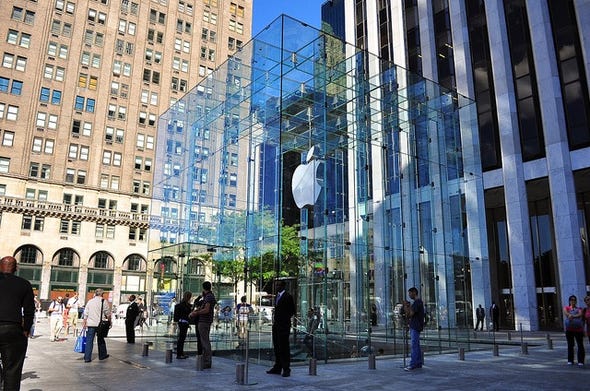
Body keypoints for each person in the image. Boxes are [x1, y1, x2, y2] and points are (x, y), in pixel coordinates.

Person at [0, 256, 35, 390]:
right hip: (12, 329)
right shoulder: (24, 283)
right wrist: (26, 329)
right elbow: (29, 310)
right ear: (16, 268)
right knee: (13, 369)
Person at [266, 280, 296, 377]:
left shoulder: (288, 297)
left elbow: (292, 311)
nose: (276, 287)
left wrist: (284, 319)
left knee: (284, 347)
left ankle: (286, 368)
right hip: (276, 325)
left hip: (283, 326)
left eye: (278, 285)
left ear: (283, 286)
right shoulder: (277, 297)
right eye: (276, 285)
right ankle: (277, 367)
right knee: (277, 347)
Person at [190, 281, 216, 369]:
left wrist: (196, 313)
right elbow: (204, 308)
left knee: (205, 341)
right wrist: (196, 311)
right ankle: (206, 360)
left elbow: (206, 310)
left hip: (204, 321)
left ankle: (207, 361)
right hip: (204, 320)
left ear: (203, 288)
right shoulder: (208, 297)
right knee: (204, 341)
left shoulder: (209, 297)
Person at [82, 288, 112, 363]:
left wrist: (85, 321)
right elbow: (107, 313)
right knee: (101, 339)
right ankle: (102, 355)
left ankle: (87, 358)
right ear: (102, 294)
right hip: (100, 324)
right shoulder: (103, 301)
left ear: (95, 293)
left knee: (89, 341)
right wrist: (109, 321)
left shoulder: (90, 301)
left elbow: (86, 312)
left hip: (91, 324)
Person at [403, 287, 424, 371]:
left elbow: (410, 314)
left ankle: (413, 364)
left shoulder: (417, 302)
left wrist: (406, 306)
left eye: (410, 293)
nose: (409, 295)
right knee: (416, 345)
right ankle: (418, 362)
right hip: (415, 326)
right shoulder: (417, 302)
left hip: (415, 326)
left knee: (414, 345)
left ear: (414, 292)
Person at [563, 295, 585, 366]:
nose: (573, 301)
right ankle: (570, 360)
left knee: (580, 345)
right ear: (569, 301)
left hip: (578, 330)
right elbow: (566, 313)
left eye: (574, 300)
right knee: (570, 345)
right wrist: (571, 315)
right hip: (569, 330)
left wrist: (572, 316)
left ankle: (580, 361)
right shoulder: (566, 307)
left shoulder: (579, 308)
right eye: (572, 300)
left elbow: (580, 314)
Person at [174, 291, 192, 359]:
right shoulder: (185, 305)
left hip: (182, 322)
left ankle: (181, 353)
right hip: (183, 322)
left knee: (182, 338)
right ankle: (179, 354)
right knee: (181, 338)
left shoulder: (183, 304)